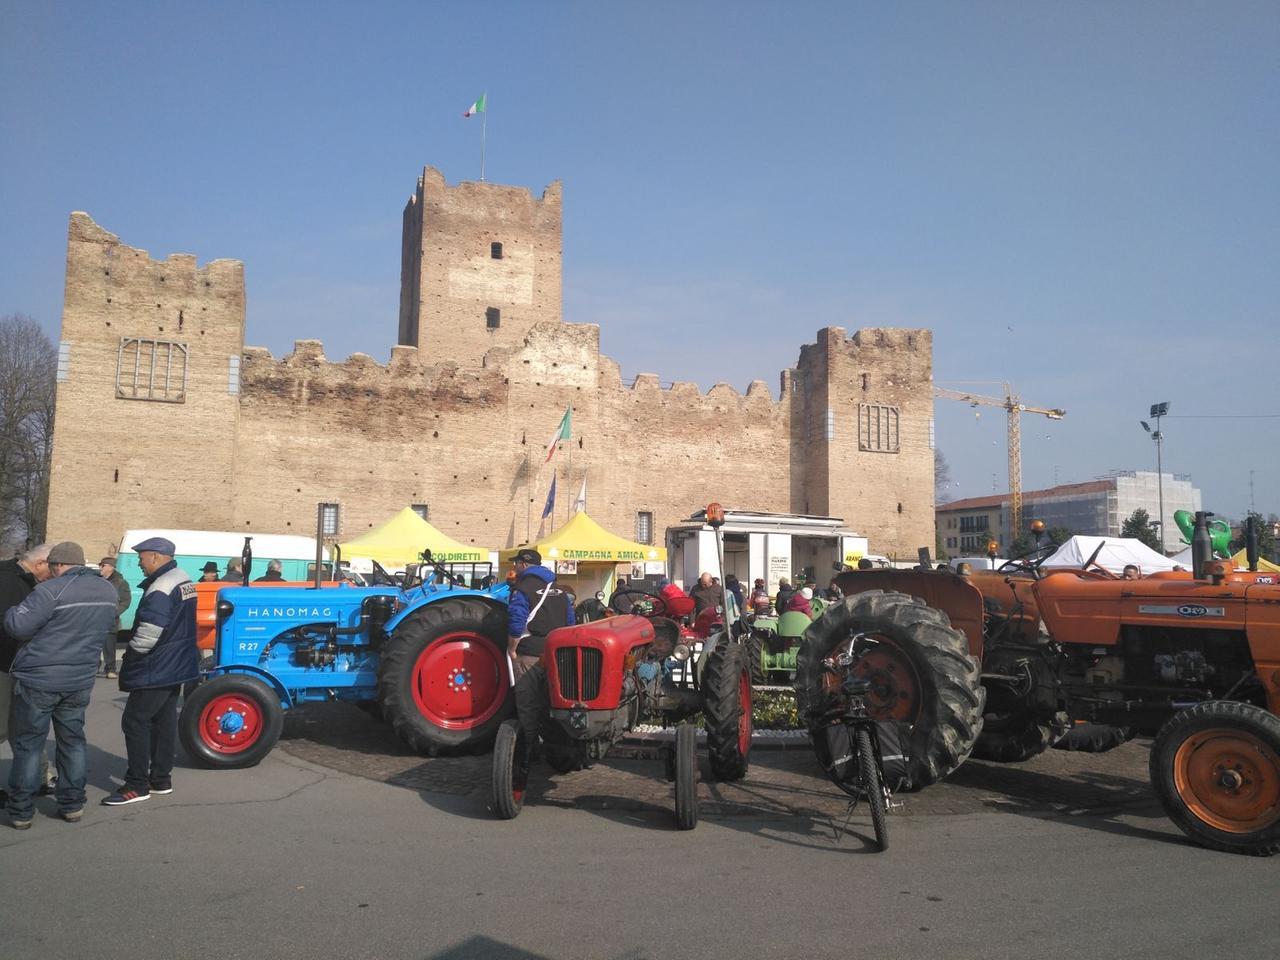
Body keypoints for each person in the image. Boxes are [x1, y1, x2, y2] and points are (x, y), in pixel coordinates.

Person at [4, 541, 118, 827]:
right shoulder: (107, 591)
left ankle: (21, 811)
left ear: (57, 565)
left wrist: (11, 611)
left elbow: (18, 626)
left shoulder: (50, 590)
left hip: (39, 679)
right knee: (73, 741)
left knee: (29, 745)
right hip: (80, 678)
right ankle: (72, 804)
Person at [103, 537, 199, 806]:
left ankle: (136, 784)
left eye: (141, 558)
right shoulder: (183, 578)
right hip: (176, 663)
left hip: (156, 666)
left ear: (156, 557)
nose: (139, 563)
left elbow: (149, 632)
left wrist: (132, 654)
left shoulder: (161, 587)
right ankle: (160, 779)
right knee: (163, 721)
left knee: (135, 721)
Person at [507, 549, 574, 780]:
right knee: (553, 702)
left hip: (530, 653)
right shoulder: (560, 592)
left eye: (516, 563)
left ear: (524, 565)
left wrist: (512, 648)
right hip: (556, 655)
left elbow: (516, 622)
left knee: (527, 703)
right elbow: (570, 622)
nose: (514, 568)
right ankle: (560, 746)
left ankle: (529, 750)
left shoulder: (522, 589)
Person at [0, 544, 55, 802]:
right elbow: (11, 627)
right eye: (52, 568)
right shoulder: (7, 581)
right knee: (4, 727)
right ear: (40, 563)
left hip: (20, 666)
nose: (54, 574)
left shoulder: (25, 580)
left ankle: (39, 777)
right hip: (4, 665)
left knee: (26, 727)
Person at [97, 556, 131, 680]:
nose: (100, 567)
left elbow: (125, 602)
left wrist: (114, 613)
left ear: (111, 567)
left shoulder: (121, 583)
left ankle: (110, 669)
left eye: (103, 565)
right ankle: (94, 668)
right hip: (95, 619)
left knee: (109, 646)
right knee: (93, 645)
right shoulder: (97, 580)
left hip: (110, 619)